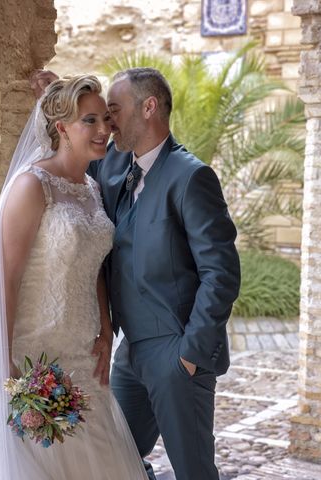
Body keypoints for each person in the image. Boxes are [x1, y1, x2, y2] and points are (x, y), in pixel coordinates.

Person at [0, 75, 147, 479]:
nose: (105, 129)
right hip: (34, 356)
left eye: (105, 118)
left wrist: (106, 330)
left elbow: (95, 266)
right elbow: (7, 280)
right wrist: (4, 367)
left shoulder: (90, 188)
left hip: (83, 355)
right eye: (90, 121)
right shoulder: (31, 186)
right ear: (62, 128)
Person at [34, 68, 241, 480]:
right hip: (130, 352)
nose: (108, 124)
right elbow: (70, 166)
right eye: (103, 115)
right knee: (116, 457)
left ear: (148, 108)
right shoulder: (111, 167)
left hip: (176, 350)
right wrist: (58, 94)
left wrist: (190, 354)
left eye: (114, 111)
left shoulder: (191, 177)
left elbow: (221, 272)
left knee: (194, 471)